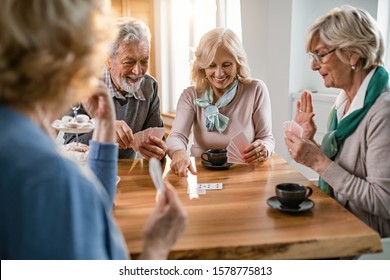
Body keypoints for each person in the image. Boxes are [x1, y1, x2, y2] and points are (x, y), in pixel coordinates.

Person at [0, 0, 186, 259]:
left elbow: (99, 201)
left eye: (144, 61)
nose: (138, 70)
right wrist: (156, 246)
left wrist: (108, 129)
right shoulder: (57, 179)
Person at [285, 5, 390, 237]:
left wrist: (318, 161)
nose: (313, 65)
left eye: (321, 54)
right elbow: (342, 173)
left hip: (369, 245)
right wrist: (309, 144)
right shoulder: (343, 102)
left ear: (352, 53)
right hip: (341, 225)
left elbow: (384, 202)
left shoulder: (383, 112)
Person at [166, 28, 275, 176]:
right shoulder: (190, 95)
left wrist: (264, 148)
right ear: (202, 66)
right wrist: (178, 152)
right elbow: (177, 136)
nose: (219, 73)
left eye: (226, 64)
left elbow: (266, 138)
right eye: (211, 65)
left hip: (245, 173)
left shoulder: (256, 90)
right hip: (201, 175)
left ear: (238, 63)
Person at [64, 17, 167, 161]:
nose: (138, 71)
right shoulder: (84, 86)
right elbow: (70, 144)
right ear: (108, 60)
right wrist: (104, 130)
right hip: (88, 171)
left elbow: (157, 141)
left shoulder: (149, 87)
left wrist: (159, 152)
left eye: (144, 61)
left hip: (127, 174)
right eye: (129, 62)